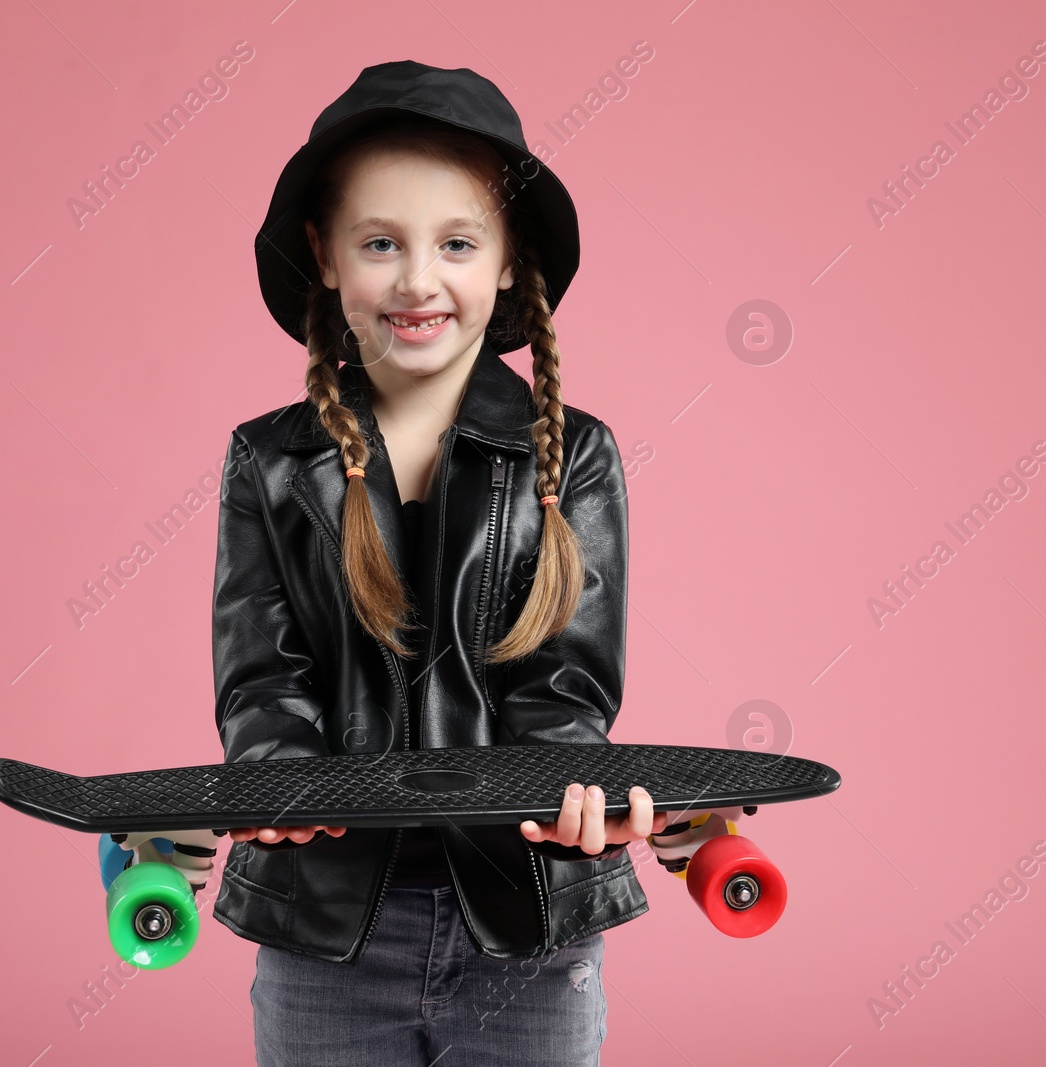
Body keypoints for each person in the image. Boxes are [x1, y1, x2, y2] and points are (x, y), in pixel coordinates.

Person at [209, 60, 667, 1065]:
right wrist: (278, 781)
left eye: (456, 242)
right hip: (326, 928)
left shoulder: (574, 453)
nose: (419, 280)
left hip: (529, 922)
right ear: (325, 255)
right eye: (382, 243)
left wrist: (571, 783)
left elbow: (568, 679)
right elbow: (262, 675)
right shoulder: (271, 460)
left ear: (507, 261)